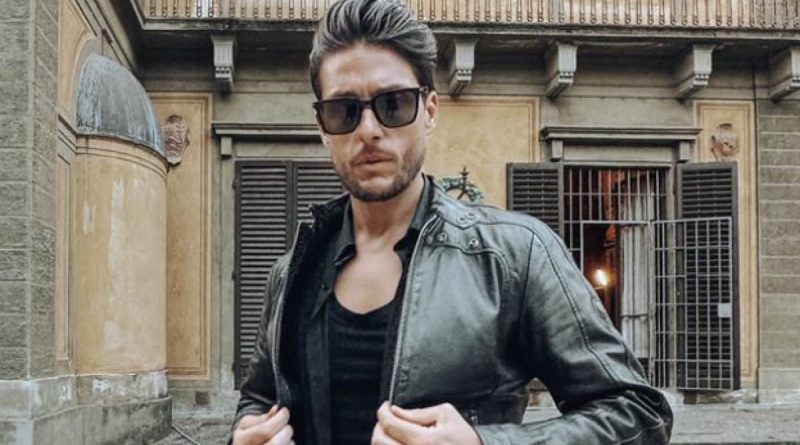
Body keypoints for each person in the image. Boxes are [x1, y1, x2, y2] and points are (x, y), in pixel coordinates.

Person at [230, 0, 673, 443]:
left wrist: (483, 443)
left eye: (394, 104)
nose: (368, 130)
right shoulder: (291, 272)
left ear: (430, 111)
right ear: (322, 127)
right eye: (344, 111)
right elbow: (259, 399)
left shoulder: (513, 256)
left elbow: (638, 413)